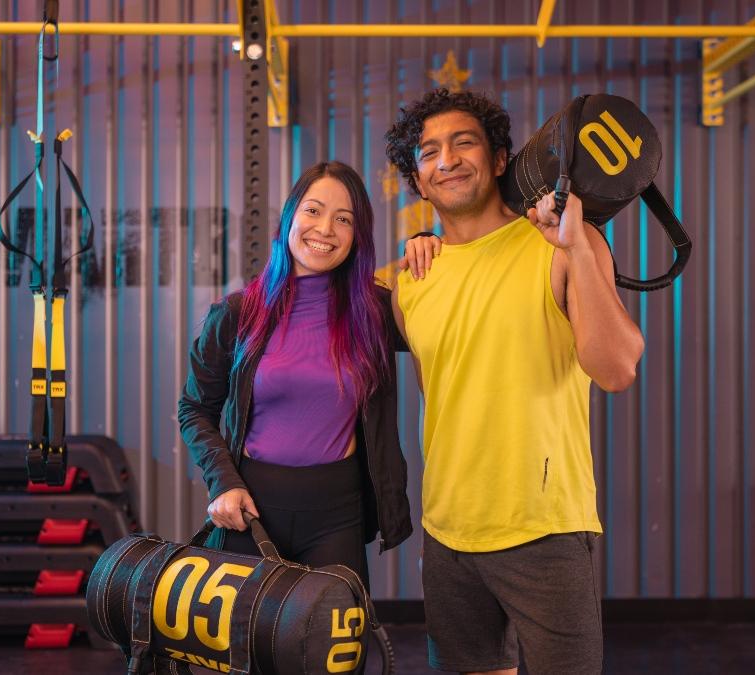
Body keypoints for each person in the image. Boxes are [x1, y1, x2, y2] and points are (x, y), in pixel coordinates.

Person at [386, 89, 645, 674]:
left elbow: (618, 368)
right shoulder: (412, 280)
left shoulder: (558, 244)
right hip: (448, 529)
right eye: (429, 153)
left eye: (463, 142)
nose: (446, 159)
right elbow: (441, 392)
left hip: (543, 525)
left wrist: (578, 246)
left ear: (500, 159)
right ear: (418, 182)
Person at [178, 160, 431, 585]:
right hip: (251, 513)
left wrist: (431, 247)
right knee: (248, 651)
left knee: (336, 651)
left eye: (344, 219)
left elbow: (450, 320)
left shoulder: (377, 312)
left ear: (357, 236)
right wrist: (222, 482)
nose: (326, 229)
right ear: (290, 216)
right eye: (313, 210)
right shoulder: (238, 315)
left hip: (337, 518)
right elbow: (194, 408)